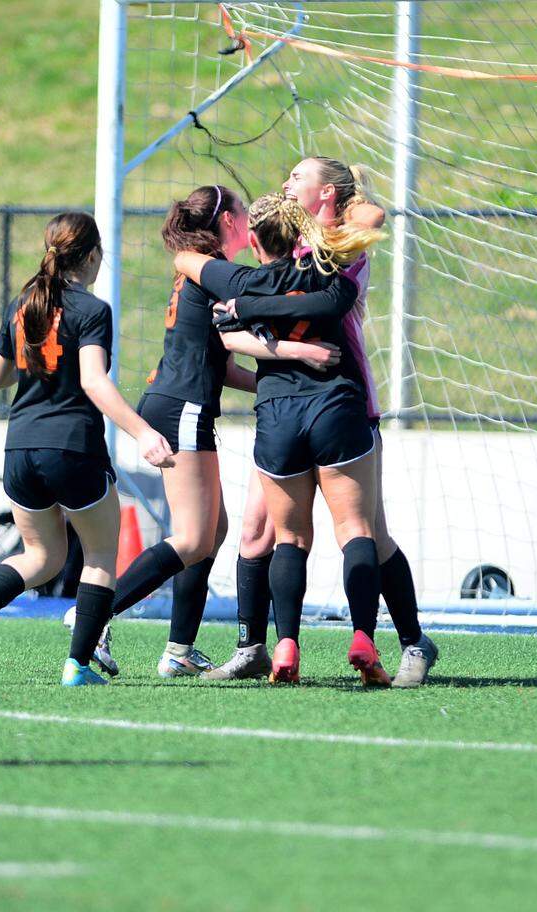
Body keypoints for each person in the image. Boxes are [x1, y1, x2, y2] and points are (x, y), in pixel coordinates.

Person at [90, 185, 342, 680]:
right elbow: (258, 285)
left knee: (214, 533)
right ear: (227, 219)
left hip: (184, 405)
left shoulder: (202, 270)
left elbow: (223, 364)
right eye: (243, 211)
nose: (250, 221)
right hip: (180, 409)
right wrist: (301, 350)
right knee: (190, 538)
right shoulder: (206, 267)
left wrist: (277, 377)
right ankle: (93, 614)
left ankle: (179, 649)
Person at [0, 211, 174, 686]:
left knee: (41, 555)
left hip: (20, 448)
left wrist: (30, 354)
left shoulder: (25, 303)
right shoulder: (92, 310)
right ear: (91, 257)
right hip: (71, 448)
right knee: (100, 556)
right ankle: (78, 665)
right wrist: (143, 432)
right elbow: (93, 381)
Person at [176, 192, 389, 684]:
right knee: (355, 529)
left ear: (252, 239)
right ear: (301, 236)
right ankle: (363, 638)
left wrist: (244, 306)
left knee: (290, 537)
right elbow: (367, 226)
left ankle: (287, 645)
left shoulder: (241, 281)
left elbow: (188, 260)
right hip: (336, 407)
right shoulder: (329, 273)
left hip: (276, 415)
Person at [279, 156, 438, 686]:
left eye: (298, 177)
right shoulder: (284, 243)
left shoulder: (346, 238)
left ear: (326, 193)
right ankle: (262, 644)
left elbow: (372, 213)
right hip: (285, 406)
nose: (286, 183)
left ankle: (411, 641)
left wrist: (344, 190)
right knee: (274, 532)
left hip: (343, 400)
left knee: (371, 531)